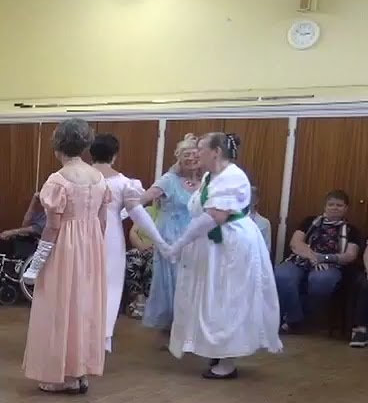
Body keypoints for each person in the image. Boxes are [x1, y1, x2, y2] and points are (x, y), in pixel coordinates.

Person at [164, 133, 281, 378]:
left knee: (229, 298)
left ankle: (228, 360)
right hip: (214, 248)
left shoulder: (233, 177)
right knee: (213, 297)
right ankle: (217, 348)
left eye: (201, 149)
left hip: (231, 247)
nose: (197, 153)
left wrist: (179, 243)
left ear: (216, 152)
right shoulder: (210, 176)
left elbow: (215, 216)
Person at [21, 119, 109, 393]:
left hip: (64, 249)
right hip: (91, 248)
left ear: (58, 144)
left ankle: (64, 375)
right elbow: (102, 222)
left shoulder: (57, 181)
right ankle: (80, 371)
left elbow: (53, 226)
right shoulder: (99, 178)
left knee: (59, 306)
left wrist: (36, 264)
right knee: (84, 306)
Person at [90, 133, 163, 351]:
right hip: (111, 237)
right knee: (110, 286)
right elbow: (138, 214)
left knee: (83, 282)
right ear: (114, 155)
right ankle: (103, 338)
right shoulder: (124, 183)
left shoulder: (80, 178)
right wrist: (159, 240)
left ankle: (82, 332)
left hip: (82, 235)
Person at [273, 190, 362, 332]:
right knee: (281, 275)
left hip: (331, 265)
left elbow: (350, 255)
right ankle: (294, 319)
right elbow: (295, 243)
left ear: (346, 209)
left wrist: (324, 258)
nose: (334, 207)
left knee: (321, 280)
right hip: (300, 260)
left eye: (339, 205)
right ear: (325, 207)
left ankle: (308, 318)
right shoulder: (309, 222)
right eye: (331, 204)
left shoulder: (352, 230)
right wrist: (314, 258)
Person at [142, 133, 201, 330]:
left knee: (193, 280)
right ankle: (173, 323)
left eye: (194, 153)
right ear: (178, 157)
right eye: (186, 154)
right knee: (173, 280)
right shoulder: (169, 179)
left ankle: (189, 322)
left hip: (196, 238)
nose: (191, 158)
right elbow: (146, 197)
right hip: (170, 236)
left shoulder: (206, 181)